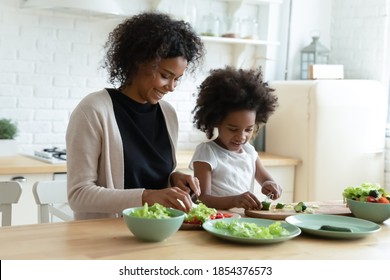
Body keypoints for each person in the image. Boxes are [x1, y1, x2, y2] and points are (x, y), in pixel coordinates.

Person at [66, 12, 205, 220]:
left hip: (158, 230)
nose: (172, 87)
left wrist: (174, 179)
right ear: (139, 61)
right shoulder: (93, 111)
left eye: (177, 79)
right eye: (165, 76)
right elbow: (79, 195)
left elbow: (153, 179)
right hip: (106, 238)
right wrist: (147, 196)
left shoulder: (168, 114)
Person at [189, 66, 282, 210]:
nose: (241, 136)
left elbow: (266, 179)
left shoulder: (249, 152)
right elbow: (201, 199)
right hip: (216, 221)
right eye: (233, 129)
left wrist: (269, 184)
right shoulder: (207, 152)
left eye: (248, 129)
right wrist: (234, 201)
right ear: (216, 121)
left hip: (243, 222)